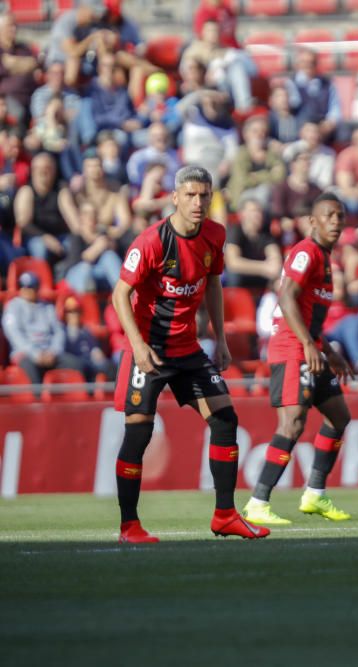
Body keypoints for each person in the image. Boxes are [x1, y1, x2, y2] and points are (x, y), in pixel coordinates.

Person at [110, 165, 267, 543]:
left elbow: (212, 283)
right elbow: (119, 295)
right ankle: (129, 525)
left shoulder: (215, 235)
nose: (198, 202)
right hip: (150, 350)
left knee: (226, 419)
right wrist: (138, 346)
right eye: (191, 195)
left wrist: (221, 337)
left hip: (189, 349)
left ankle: (225, 515)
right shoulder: (151, 242)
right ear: (175, 198)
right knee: (139, 434)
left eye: (205, 195)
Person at [243, 193, 355, 525]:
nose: (335, 221)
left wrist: (329, 351)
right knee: (292, 423)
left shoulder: (323, 258)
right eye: (329, 215)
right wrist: (308, 343)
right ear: (313, 221)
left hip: (311, 348)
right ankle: (258, 501)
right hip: (293, 349)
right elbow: (287, 295)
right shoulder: (306, 252)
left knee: (338, 416)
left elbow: (310, 313)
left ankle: (315, 494)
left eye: (340, 216)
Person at [1, 272, 86, 394]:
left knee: (77, 365)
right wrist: (36, 354)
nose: (26, 290)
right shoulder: (13, 306)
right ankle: (38, 407)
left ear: (37, 288)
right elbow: (15, 335)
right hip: (25, 354)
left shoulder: (47, 306)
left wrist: (54, 351)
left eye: (31, 287)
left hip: (50, 352)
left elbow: (59, 331)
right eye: (23, 286)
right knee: (32, 372)